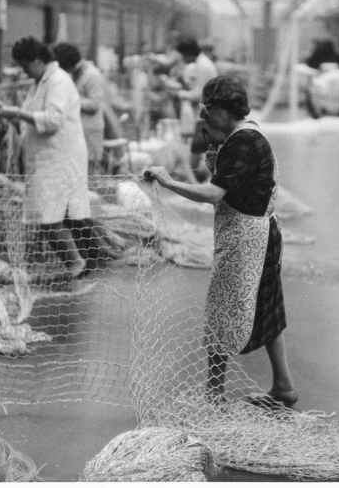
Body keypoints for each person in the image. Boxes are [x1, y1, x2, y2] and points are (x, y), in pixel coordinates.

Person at [144, 75, 298, 408]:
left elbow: (214, 193)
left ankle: (214, 394)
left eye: (209, 109)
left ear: (226, 109)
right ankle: (283, 386)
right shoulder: (243, 134)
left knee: (221, 311)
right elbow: (218, 172)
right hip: (261, 233)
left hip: (246, 239)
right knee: (266, 309)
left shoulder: (243, 142)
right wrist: (211, 143)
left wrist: (168, 182)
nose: (204, 115)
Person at [0, 36, 100, 280]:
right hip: (46, 157)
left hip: (59, 158)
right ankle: (81, 262)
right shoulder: (40, 82)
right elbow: (32, 115)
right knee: (51, 214)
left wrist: (17, 113)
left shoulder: (59, 81)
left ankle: (78, 263)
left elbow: (52, 120)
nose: (23, 71)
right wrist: (9, 115)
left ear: (37, 60)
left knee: (48, 215)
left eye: (24, 65)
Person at [53, 43, 107, 175]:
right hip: (78, 131)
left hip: (90, 131)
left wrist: (71, 100)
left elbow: (94, 105)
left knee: (90, 174)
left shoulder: (92, 75)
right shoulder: (74, 74)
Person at [170, 37, 218, 181]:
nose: (182, 59)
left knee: (198, 148)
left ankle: (191, 180)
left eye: (183, 55)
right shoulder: (198, 64)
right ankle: (191, 178)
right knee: (199, 148)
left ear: (188, 53)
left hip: (209, 113)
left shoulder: (203, 66)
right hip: (205, 112)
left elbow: (200, 93)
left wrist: (179, 94)